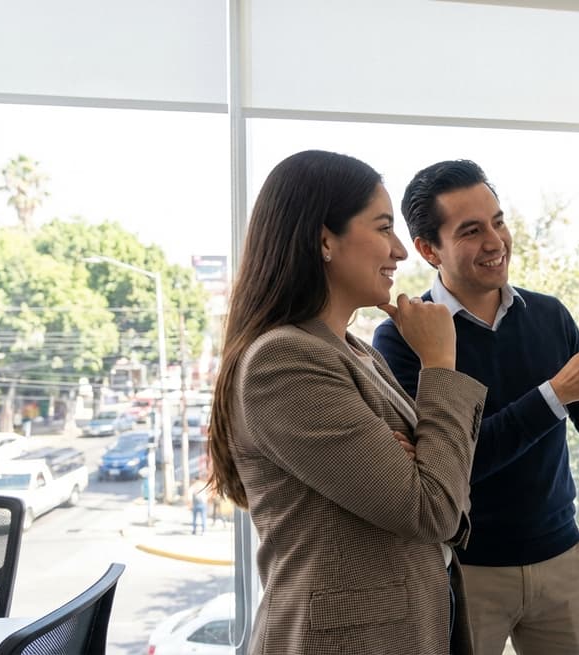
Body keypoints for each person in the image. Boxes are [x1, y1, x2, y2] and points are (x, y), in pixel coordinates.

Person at [373, 159, 579, 655]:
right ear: (427, 249)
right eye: (471, 230)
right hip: (465, 571)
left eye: (498, 221)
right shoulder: (404, 336)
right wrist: (553, 395)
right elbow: (446, 465)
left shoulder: (549, 315)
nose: (495, 241)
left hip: (560, 560)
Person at [207, 150, 487, 655]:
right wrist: (440, 364)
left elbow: (439, 480)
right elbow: (431, 508)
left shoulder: (353, 350)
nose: (400, 251)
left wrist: (422, 460)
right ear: (324, 240)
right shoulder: (284, 361)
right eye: (383, 228)